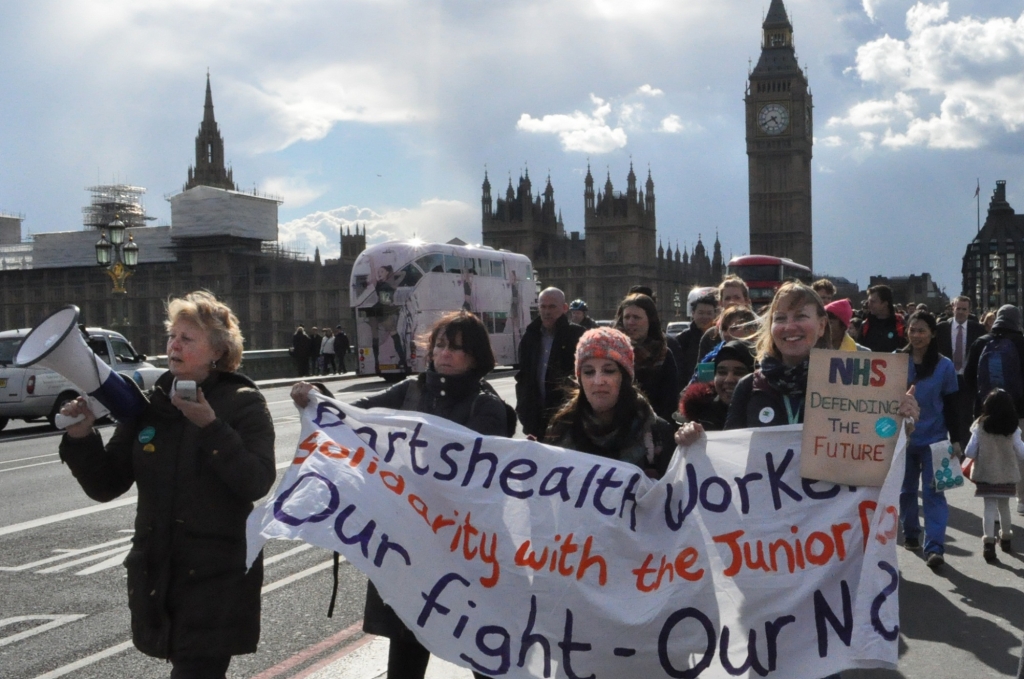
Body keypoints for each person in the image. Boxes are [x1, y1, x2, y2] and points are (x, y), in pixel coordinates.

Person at [58, 291, 276, 678]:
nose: (173, 345)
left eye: (186, 338)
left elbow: (256, 480)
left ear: (217, 351)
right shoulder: (152, 405)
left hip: (215, 579)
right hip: (158, 573)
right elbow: (106, 484)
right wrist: (80, 437)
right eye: (172, 336)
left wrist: (211, 426)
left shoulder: (244, 402)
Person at [292, 311, 507, 679]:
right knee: (405, 657)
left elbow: (476, 481)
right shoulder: (410, 390)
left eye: (457, 349)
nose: (445, 354)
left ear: (475, 357)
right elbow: (354, 415)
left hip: (461, 549)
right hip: (408, 549)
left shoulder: (486, 407)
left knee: (481, 655)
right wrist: (317, 397)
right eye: (440, 345)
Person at [675, 282, 919, 438]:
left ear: (822, 325)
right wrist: (693, 438)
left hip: (832, 518)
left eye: (801, 316)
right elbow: (729, 457)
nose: (789, 327)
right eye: (780, 318)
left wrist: (901, 425)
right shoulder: (749, 386)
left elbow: (875, 447)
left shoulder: (853, 383)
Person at [545, 327, 676, 478]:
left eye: (609, 370)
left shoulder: (656, 432)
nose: (598, 381)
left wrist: (691, 442)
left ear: (624, 377)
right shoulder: (561, 428)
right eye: (588, 372)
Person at [899, 309, 960, 569]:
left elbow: (953, 404)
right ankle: (911, 532)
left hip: (936, 439)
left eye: (922, 330)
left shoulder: (945, 366)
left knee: (935, 493)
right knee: (906, 491)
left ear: (933, 333)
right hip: (902, 439)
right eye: (912, 329)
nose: (917, 335)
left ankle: (935, 547)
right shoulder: (896, 361)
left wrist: (957, 439)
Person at [964, 304, 1024, 514]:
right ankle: (1021, 499)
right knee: (1018, 452)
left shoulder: (980, 342)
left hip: (985, 411)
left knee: (989, 453)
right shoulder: (1020, 343)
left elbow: (968, 376)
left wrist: (982, 401)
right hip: (1018, 410)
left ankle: (991, 495)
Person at [515, 287, 585, 438]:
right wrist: (524, 411)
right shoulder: (530, 337)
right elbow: (523, 378)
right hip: (535, 421)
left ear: (564, 308)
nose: (547, 312)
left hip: (568, 421)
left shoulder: (577, 336)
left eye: (552, 306)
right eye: (543, 306)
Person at [964, 388, 1024, 562]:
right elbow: (1020, 451)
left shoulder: (980, 425)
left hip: (986, 473)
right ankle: (1006, 538)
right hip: (1006, 474)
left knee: (989, 508)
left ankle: (988, 543)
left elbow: (969, 451)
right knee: (1004, 507)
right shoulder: (1012, 427)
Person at [614, 293, 679, 422]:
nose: (630, 322)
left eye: (636, 317)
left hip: (654, 425)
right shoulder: (612, 352)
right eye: (627, 317)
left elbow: (670, 401)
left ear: (650, 320)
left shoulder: (663, 354)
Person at [937, 296, 985, 447]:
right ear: (953, 308)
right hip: (946, 377)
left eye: (964, 309)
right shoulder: (942, 328)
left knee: (965, 416)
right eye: (958, 308)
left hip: (966, 378)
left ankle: (964, 451)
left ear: (969, 311)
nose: (961, 312)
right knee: (946, 413)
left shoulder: (977, 329)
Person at [678, 340, 755, 431]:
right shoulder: (700, 416)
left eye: (739, 373)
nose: (729, 380)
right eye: (722, 372)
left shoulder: (765, 413)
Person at [688, 305, 757, 385]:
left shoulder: (760, 358)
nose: (727, 334)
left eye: (734, 328)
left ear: (750, 330)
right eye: (724, 329)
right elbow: (694, 387)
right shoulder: (711, 359)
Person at [698, 276, 750, 358]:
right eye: (727, 298)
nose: (732, 302)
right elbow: (700, 369)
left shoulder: (759, 331)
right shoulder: (711, 336)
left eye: (737, 297)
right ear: (721, 303)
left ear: (746, 301)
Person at [676, 293, 719, 390]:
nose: (705, 317)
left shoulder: (720, 338)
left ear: (715, 315)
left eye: (709, 313)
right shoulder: (682, 339)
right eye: (701, 313)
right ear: (693, 313)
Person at [860, 284, 905, 352]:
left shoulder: (900, 324)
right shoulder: (865, 325)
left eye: (873, 302)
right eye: (869, 301)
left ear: (885, 303)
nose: (869, 305)